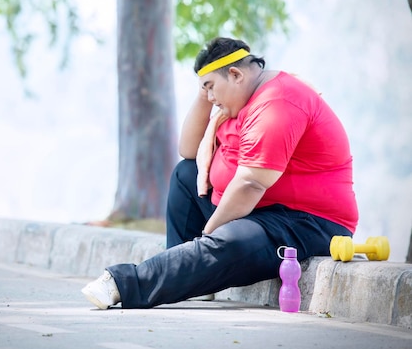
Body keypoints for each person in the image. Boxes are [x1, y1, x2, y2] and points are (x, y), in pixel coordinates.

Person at [81, 36, 359, 309]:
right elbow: (188, 149)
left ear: (236, 74)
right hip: (264, 212)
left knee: (231, 242)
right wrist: (206, 92)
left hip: (308, 223)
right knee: (186, 175)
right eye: (205, 90)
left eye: (211, 87)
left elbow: (250, 183)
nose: (210, 98)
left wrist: (208, 236)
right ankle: (190, 281)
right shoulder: (240, 101)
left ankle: (125, 282)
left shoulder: (278, 101)